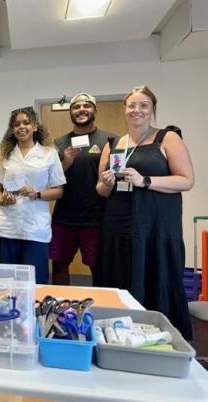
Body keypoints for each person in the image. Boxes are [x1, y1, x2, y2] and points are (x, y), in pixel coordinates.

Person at [95, 85, 194, 339]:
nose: (136, 110)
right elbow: (100, 190)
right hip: (118, 226)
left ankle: (162, 337)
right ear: (125, 110)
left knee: (155, 275)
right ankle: (116, 336)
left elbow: (186, 180)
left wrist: (145, 180)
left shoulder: (168, 138)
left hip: (156, 227)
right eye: (131, 105)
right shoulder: (112, 144)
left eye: (143, 105)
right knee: (119, 275)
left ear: (152, 110)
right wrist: (106, 183)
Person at [0, 107, 65, 284]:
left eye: (26, 122)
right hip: (8, 226)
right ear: (12, 129)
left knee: (35, 282)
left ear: (35, 127)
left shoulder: (49, 154)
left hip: (35, 229)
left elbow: (59, 191)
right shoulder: (5, 155)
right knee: (7, 284)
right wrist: (1, 199)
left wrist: (36, 193)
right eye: (16, 124)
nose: (21, 127)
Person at [50, 93, 118, 285]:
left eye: (86, 106)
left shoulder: (110, 140)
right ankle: (60, 310)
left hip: (96, 218)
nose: (81, 110)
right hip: (64, 218)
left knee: (99, 268)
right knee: (59, 265)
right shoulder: (58, 143)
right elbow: (49, 180)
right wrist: (66, 163)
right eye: (76, 107)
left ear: (95, 110)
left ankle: (99, 310)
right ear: (70, 112)